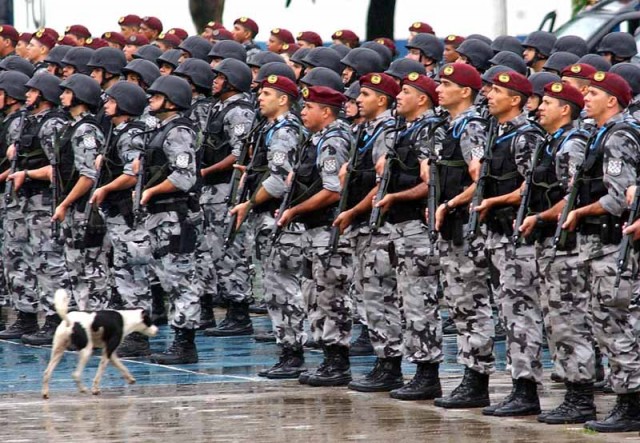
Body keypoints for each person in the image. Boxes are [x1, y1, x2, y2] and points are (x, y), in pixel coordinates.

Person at [562, 71, 640, 433]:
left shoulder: (618, 136)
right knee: (606, 321)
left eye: (593, 93)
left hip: (614, 244)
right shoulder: (602, 134)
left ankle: (631, 404)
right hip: (602, 245)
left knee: (616, 322)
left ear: (612, 101)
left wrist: (580, 211)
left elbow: (619, 197)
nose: (586, 98)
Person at [230, 75, 307, 379]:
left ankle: (293, 353)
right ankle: (287, 349)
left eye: (266, 94)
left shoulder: (284, 132)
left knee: (283, 287)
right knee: (275, 286)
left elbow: (279, 181)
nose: (260, 98)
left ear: (283, 100)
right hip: (268, 218)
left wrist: (249, 203)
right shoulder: (270, 129)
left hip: (277, 218)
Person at [277, 85, 353, 387]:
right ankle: (328, 358)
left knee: (330, 296)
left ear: (326, 111)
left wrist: (294, 210)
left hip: (327, 231)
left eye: (310, 107)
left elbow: (333, 191)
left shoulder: (333, 140)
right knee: (315, 294)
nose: (303, 112)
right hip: (314, 232)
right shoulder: (316, 139)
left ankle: (338, 362)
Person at [431, 63, 493, 409]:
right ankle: (471, 375)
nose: (439, 89)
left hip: (465, 229)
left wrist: (451, 203)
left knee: (471, 303)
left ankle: (477, 379)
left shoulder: (471, 127)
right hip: (451, 227)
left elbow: (479, 177)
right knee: (459, 304)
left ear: (465, 92)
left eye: (446, 84)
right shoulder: (451, 125)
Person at [141, 75, 202, 364]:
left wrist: (151, 190)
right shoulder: (162, 129)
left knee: (181, 280)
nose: (151, 100)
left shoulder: (178, 131)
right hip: (161, 216)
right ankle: (180, 339)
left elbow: (184, 177)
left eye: (157, 96)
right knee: (169, 278)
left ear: (172, 100)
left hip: (175, 215)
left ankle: (185, 344)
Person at [89, 81, 153, 357]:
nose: (107, 105)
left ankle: (139, 336)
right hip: (116, 215)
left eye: (112, 101)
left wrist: (105, 188)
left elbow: (132, 175)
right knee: (124, 273)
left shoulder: (131, 134)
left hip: (127, 215)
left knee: (133, 274)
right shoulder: (118, 131)